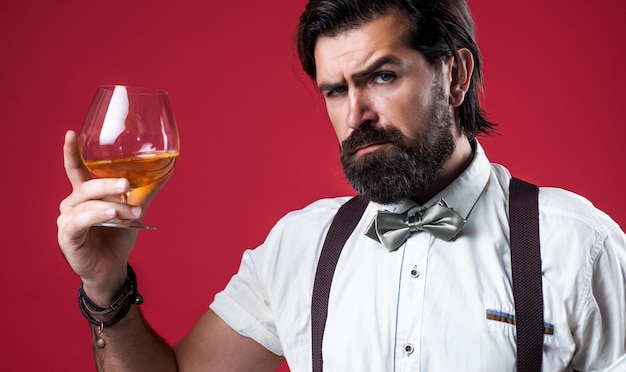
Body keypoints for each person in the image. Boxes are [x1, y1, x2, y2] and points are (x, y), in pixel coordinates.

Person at [57, 0, 626, 370]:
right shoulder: (299, 248)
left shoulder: (579, 245)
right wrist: (106, 287)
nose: (356, 114)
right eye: (335, 90)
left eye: (382, 76)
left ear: (455, 75)